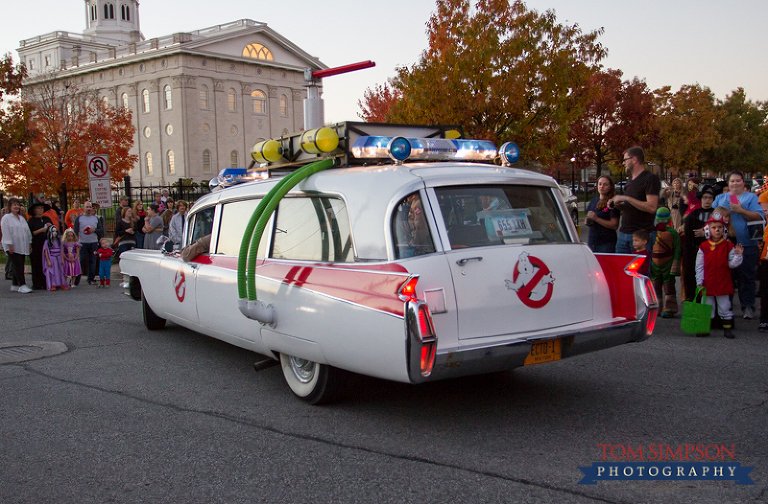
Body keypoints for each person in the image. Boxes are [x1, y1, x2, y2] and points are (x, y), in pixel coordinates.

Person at [712, 170, 765, 320]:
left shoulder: (751, 198)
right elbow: (712, 216)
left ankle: (747, 307)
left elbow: (759, 216)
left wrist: (740, 210)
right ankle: (725, 308)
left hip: (747, 243)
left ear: (743, 182)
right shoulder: (721, 198)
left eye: (738, 181)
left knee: (746, 277)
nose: (735, 184)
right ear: (728, 184)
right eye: (732, 181)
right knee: (726, 276)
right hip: (724, 244)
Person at [695, 214, 744, 339]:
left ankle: (727, 329)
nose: (717, 230)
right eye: (714, 227)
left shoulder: (728, 246)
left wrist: (738, 256)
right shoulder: (704, 247)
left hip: (723, 282)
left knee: (725, 307)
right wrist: (699, 280)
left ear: (724, 230)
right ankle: (705, 329)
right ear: (708, 230)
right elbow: (699, 266)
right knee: (707, 307)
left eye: (720, 227)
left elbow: (732, 264)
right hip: (708, 283)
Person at [610, 146, 660, 253]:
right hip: (624, 234)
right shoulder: (630, 180)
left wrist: (626, 198)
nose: (623, 163)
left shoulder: (650, 178)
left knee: (641, 269)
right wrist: (617, 203)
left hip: (641, 236)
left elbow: (651, 207)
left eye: (625, 159)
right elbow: (631, 204)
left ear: (634, 159)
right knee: (620, 268)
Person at [681, 187, 715, 301]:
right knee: (691, 278)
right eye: (705, 197)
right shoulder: (692, 216)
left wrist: (705, 233)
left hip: (711, 251)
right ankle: (692, 300)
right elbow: (688, 237)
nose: (707, 200)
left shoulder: (716, 214)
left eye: (710, 198)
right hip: (693, 250)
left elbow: (722, 232)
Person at [650, 207, 681, 318]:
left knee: (669, 287)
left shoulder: (672, 233)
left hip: (668, 263)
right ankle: (657, 308)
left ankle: (669, 309)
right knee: (655, 286)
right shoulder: (652, 232)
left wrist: (675, 265)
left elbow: (677, 249)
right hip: (655, 263)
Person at [1, 197, 33, 293]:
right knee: (18, 265)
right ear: (10, 206)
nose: (16, 206)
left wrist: (29, 243)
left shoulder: (21, 219)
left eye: (18, 205)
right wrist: (9, 244)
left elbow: (27, 231)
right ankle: (22, 285)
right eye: (14, 205)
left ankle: (15, 285)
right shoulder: (6, 218)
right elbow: (6, 232)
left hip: (22, 245)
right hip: (12, 246)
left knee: (19, 264)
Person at [585, 175, 620, 253]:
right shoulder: (594, 201)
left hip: (606, 243)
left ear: (610, 187)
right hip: (592, 241)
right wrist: (588, 221)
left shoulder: (612, 202)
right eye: (600, 184)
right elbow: (588, 218)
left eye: (605, 184)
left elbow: (614, 225)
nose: (602, 186)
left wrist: (597, 219)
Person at [73, 201, 104, 286]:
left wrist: (95, 230)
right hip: (82, 242)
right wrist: (76, 243)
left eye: (90, 207)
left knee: (92, 261)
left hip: (93, 242)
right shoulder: (79, 218)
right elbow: (75, 231)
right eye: (87, 207)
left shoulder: (95, 219)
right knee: (82, 261)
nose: (89, 209)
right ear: (83, 208)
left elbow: (100, 230)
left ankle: (91, 279)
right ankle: (76, 280)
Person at [27, 201, 53, 290]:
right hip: (36, 244)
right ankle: (37, 283)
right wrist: (41, 230)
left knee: (46, 263)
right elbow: (30, 233)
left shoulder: (47, 219)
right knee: (36, 263)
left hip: (46, 244)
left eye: (42, 208)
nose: (40, 210)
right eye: (38, 208)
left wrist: (50, 227)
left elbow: (53, 231)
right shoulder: (31, 221)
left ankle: (46, 282)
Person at [42, 226, 69, 291]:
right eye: (53, 231)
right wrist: (48, 260)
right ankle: (53, 285)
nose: (54, 233)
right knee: (52, 272)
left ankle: (61, 284)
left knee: (60, 271)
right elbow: (46, 251)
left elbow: (62, 250)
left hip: (59, 257)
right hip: (52, 257)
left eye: (55, 231)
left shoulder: (59, 241)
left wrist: (62, 259)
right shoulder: (47, 242)